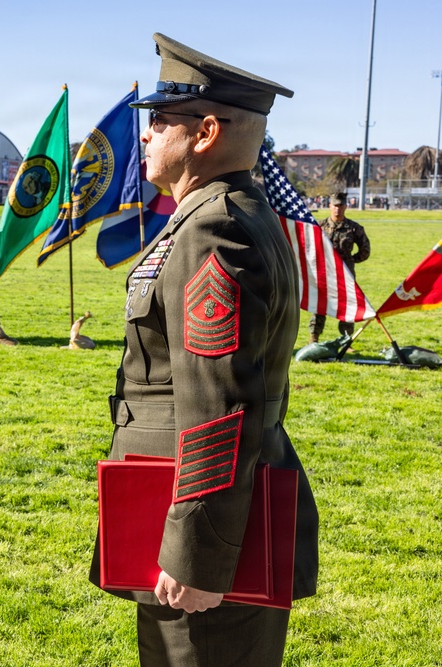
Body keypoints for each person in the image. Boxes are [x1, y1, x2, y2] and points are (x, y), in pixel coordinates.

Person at [88, 33, 319, 666]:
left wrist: (199, 556)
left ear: (206, 131)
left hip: (198, 532)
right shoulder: (228, 212)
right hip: (190, 510)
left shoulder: (215, 226)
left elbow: (218, 400)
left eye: (159, 120)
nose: (147, 133)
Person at [309, 192, 371, 342]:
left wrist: (350, 261)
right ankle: (314, 338)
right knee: (319, 304)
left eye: (341, 206)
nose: (338, 209)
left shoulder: (354, 228)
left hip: (345, 274)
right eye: (335, 206)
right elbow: (309, 246)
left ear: (346, 206)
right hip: (324, 273)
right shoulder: (320, 226)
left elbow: (365, 249)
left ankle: (346, 339)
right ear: (330, 206)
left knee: (347, 306)